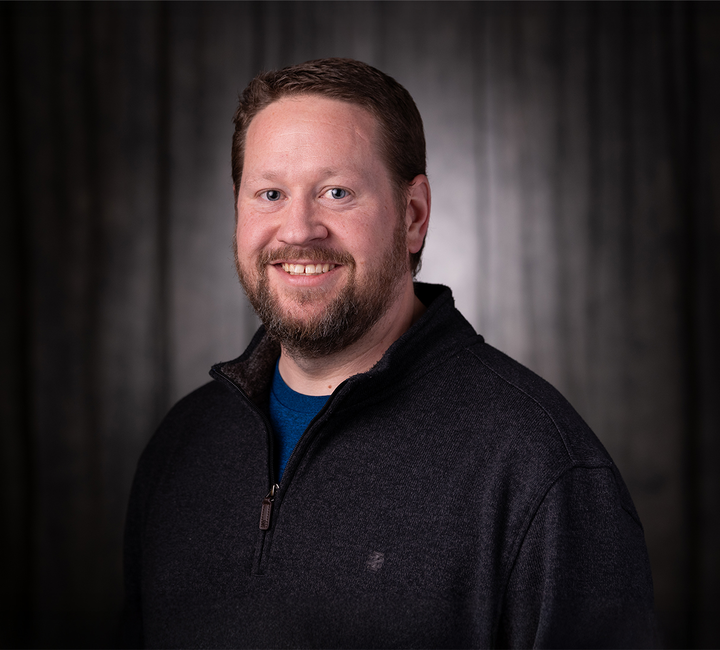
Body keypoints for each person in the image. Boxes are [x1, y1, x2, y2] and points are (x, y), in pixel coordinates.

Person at [122, 58, 657, 648]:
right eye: (270, 193)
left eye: (337, 192)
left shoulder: (539, 468)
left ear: (413, 216)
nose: (298, 229)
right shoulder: (183, 444)